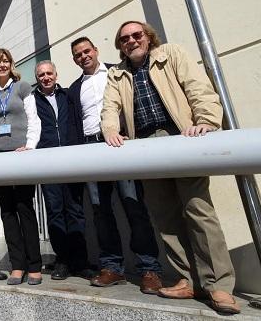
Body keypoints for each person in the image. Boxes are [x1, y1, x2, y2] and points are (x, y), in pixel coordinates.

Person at [101, 21, 239, 314]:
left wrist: (206, 120)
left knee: (199, 212)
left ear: (148, 37)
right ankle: (187, 279)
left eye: (137, 35)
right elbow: (110, 107)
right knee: (165, 218)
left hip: (181, 138)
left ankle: (219, 286)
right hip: (146, 148)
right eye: (124, 38)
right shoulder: (117, 73)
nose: (131, 41)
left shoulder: (171, 54)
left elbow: (197, 87)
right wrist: (111, 130)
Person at [68, 37, 162, 294]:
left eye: (87, 51)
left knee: (134, 207)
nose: (83, 56)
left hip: (120, 146)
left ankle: (149, 269)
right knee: (100, 212)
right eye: (78, 55)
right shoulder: (75, 89)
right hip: (90, 149)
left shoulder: (118, 72)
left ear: (96, 50)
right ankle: (112, 267)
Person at [0, 48, 42, 285]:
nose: (2, 65)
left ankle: (34, 265)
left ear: (11, 65)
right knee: (7, 211)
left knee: (25, 208)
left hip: (20, 154)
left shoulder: (23, 88)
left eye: (5, 61)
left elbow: (33, 119)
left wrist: (30, 146)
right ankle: (17, 265)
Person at [33, 60, 93, 280]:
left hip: (71, 161)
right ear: (37, 78)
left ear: (56, 75)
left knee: (75, 211)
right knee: (55, 212)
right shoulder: (32, 101)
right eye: (41, 75)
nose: (46, 77)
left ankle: (80, 261)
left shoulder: (68, 96)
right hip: (47, 164)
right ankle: (63, 261)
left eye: (49, 73)